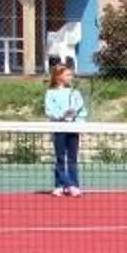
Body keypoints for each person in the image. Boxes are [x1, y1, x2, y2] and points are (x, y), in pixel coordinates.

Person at [43, 60, 86, 196]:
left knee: (72, 158)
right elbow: (49, 110)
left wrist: (75, 117)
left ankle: (73, 185)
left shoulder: (75, 93)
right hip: (58, 128)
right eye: (67, 75)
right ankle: (60, 185)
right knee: (60, 157)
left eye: (71, 75)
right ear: (58, 76)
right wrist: (60, 115)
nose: (70, 77)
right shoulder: (50, 93)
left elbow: (81, 109)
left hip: (72, 128)